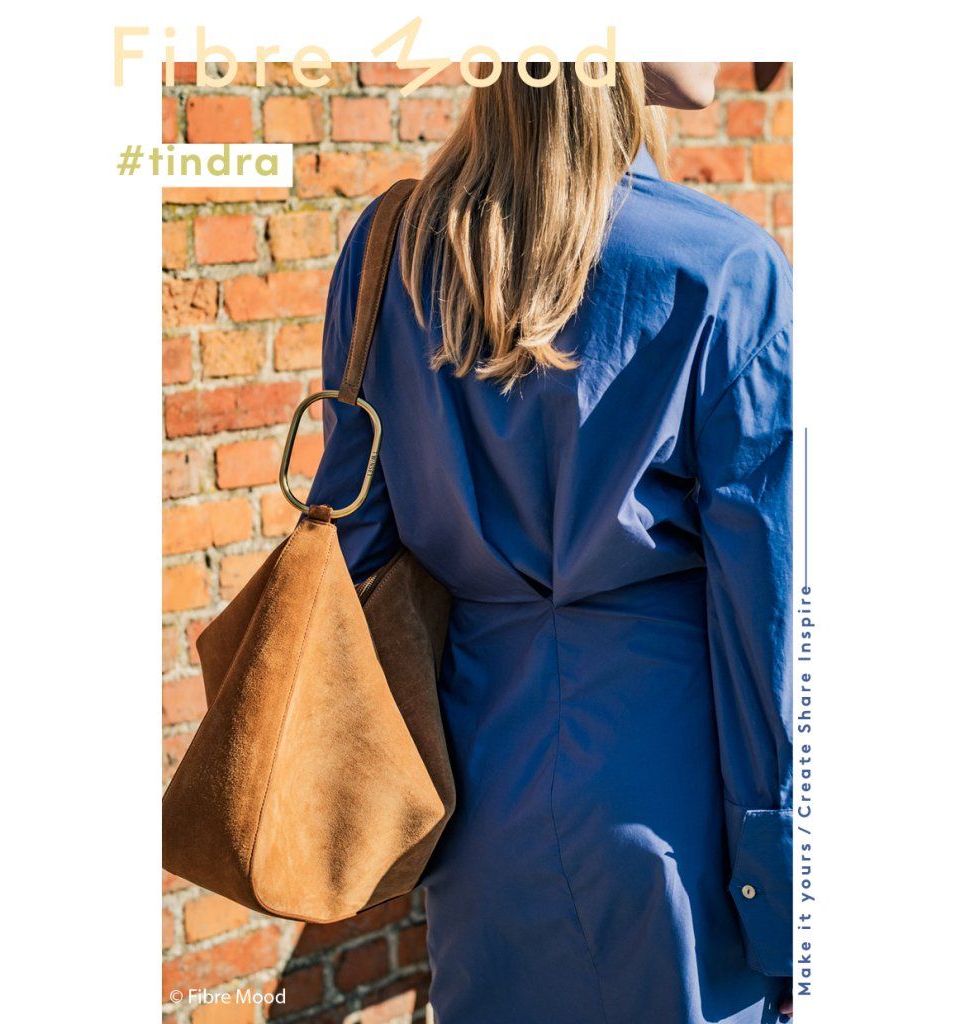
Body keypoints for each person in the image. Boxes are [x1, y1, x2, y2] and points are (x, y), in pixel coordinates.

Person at [307, 61, 793, 1024]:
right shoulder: (726, 271)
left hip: (478, 804)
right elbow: (771, 626)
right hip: (675, 821)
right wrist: (790, 900)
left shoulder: (386, 254)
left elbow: (353, 547)